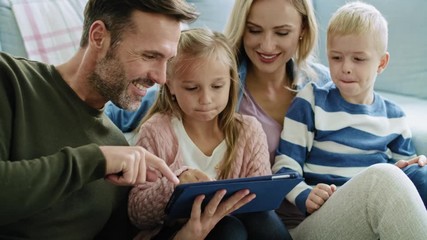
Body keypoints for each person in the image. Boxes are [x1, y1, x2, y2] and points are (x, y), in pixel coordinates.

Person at [0, 1, 252, 239]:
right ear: (99, 37)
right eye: (150, 56)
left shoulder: (121, 150)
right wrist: (97, 160)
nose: (162, 78)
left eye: (168, 61)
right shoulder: (11, 80)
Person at [272, 2, 427, 239]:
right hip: (318, 222)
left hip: (373, 219)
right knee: (383, 177)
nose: (345, 68)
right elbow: (285, 166)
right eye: (336, 57)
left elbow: (405, 181)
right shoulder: (312, 100)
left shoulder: (394, 116)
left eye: (358, 59)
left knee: (418, 174)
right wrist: (304, 195)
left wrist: (416, 166)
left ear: (381, 63)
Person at [128, 28, 290, 240]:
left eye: (217, 86)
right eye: (192, 88)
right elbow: (137, 214)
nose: (206, 99)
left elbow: (260, 201)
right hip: (174, 231)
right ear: (171, 86)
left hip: (239, 223)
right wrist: (175, 184)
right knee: (230, 229)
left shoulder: (249, 130)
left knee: (262, 219)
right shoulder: (157, 130)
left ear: (230, 82)